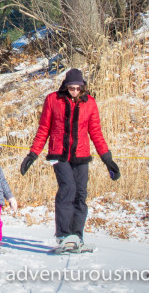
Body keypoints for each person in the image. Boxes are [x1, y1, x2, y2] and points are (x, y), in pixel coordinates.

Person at [20, 68, 120, 250]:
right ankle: (63, 235)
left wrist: (107, 159)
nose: (74, 91)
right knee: (68, 188)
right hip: (59, 154)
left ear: (83, 88)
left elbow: (96, 132)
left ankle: (76, 235)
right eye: (71, 88)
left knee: (81, 194)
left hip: (81, 155)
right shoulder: (52, 100)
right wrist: (32, 155)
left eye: (77, 88)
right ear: (65, 87)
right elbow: (44, 129)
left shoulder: (90, 103)